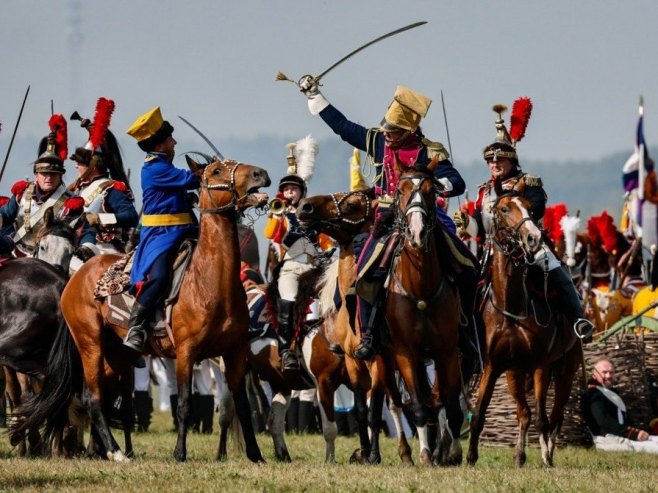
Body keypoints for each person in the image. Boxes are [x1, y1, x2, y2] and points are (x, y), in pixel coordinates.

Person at [299, 79, 479, 361]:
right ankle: (369, 334)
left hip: (427, 215)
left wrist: (430, 184)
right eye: (386, 127)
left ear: (409, 130)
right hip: (387, 219)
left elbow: (456, 181)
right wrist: (315, 96)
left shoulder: (429, 151)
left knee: (469, 267)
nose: (387, 132)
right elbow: (344, 128)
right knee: (364, 273)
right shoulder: (378, 141)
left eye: (393, 130)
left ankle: (466, 331)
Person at [453, 100, 595, 340]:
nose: (495, 165)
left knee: (558, 273)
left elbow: (537, 208)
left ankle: (578, 319)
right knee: (463, 281)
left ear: (512, 161)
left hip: (528, 246)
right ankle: (466, 334)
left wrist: (514, 202)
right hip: (492, 250)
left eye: (500, 160)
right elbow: (480, 225)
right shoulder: (484, 191)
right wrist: (465, 222)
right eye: (491, 161)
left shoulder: (529, 182)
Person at [123, 107, 199, 359]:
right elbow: (192, 179)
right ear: (159, 145)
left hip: (186, 229)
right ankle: (136, 326)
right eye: (170, 139)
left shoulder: (165, 166)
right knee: (159, 274)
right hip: (162, 235)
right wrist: (216, 171)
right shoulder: (156, 169)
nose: (174, 142)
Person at [264, 136, 333, 371]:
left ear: (301, 191)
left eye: (293, 188)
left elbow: (325, 241)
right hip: (292, 266)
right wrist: (277, 213)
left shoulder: (314, 216)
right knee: (289, 300)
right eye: (286, 189)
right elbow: (271, 235)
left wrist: (330, 252)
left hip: (316, 267)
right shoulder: (280, 214)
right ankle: (286, 351)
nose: (290, 192)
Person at [68, 98, 139, 271]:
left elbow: (131, 216)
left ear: (94, 164)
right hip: (77, 247)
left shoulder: (111, 189)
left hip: (102, 250)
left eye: (80, 163)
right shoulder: (77, 188)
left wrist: (99, 218)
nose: (76, 165)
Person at [0, 115, 83, 257]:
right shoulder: (22, 194)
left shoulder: (71, 203)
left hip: (52, 259)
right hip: (16, 253)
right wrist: (7, 239)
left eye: (53, 174)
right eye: (44, 173)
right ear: (36, 175)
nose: (49, 177)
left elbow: (79, 233)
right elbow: (4, 216)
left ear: (60, 176)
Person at [583, 357, 658, 454]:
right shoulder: (593, 395)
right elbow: (604, 422)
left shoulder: (608, 393)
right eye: (604, 372)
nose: (608, 375)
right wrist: (633, 434)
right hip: (608, 440)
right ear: (595, 374)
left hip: (622, 437)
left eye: (611, 372)